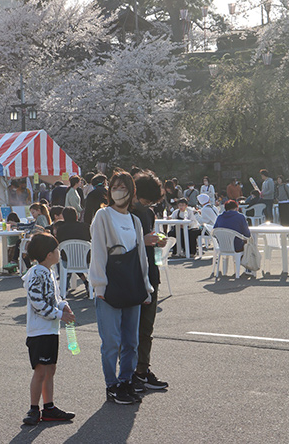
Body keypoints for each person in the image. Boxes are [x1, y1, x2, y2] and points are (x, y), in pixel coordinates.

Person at [89, 169, 152, 406]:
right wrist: (99, 286)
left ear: (131, 192)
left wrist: (146, 287)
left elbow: (141, 257)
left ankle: (125, 381)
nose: (118, 191)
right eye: (114, 187)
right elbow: (97, 253)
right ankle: (112, 385)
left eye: (123, 188)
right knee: (111, 341)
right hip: (109, 285)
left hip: (132, 284)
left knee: (131, 341)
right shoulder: (102, 216)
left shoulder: (135, 220)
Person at [22, 233, 76, 426]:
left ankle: (49, 407)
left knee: (50, 369)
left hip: (51, 329)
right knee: (41, 371)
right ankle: (33, 409)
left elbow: (54, 299)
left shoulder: (48, 272)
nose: (58, 252)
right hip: (39, 331)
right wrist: (60, 314)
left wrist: (63, 306)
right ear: (48, 254)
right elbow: (38, 303)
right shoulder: (36, 273)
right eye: (56, 249)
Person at [131, 171, 170, 392]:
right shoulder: (122, 212)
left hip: (150, 273)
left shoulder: (148, 213)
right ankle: (129, 374)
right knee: (130, 330)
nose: (147, 205)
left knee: (146, 328)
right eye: (145, 201)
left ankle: (143, 371)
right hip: (130, 276)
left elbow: (149, 235)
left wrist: (157, 241)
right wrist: (142, 240)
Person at [53, 207, 90, 293]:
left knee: (69, 258)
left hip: (67, 260)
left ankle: (65, 286)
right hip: (86, 259)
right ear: (76, 216)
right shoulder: (85, 227)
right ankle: (86, 283)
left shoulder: (61, 229)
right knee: (77, 257)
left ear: (64, 217)